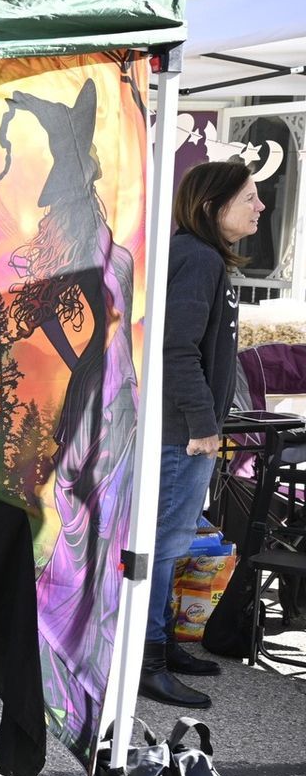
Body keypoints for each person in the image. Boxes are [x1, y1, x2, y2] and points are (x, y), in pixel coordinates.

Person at [143, 160, 261, 709]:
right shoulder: (198, 257)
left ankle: (161, 644)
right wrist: (202, 424)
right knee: (163, 543)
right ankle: (149, 660)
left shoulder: (199, 256)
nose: (260, 206)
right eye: (250, 197)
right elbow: (175, 347)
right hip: (179, 433)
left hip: (180, 431)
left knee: (170, 542)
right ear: (214, 206)